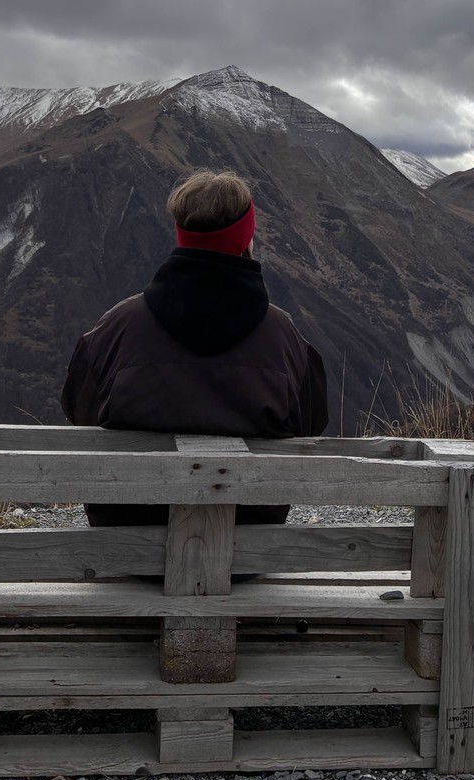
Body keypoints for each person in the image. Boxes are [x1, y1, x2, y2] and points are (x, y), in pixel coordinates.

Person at [60, 169, 328, 527]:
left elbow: (81, 413)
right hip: (248, 552)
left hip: (125, 547)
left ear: (182, 235)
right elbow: (309, 426)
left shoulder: (117, 326)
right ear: (246, 237)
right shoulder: (284, 337)